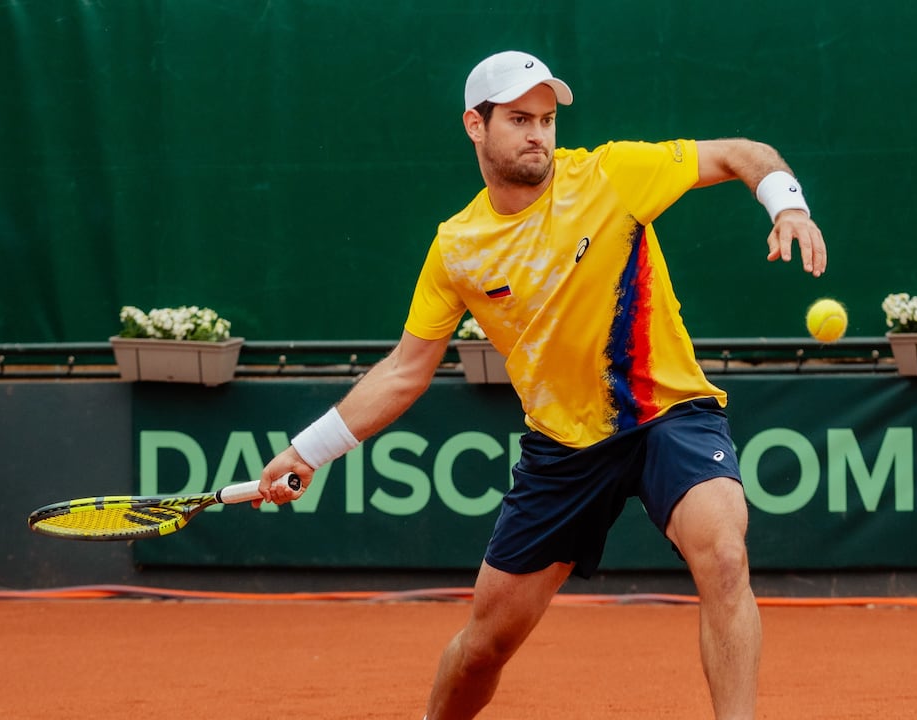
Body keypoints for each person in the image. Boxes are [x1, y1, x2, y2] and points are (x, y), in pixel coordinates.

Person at [258, 50, 827, 719]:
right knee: (484, 646)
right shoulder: (458, 248)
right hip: (563, 448)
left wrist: (789, 207)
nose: (538, 133)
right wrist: (309, 450)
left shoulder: (610, 175)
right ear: (476, 125)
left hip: (667, 413)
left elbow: (742, 152)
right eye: (520, 118)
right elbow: (405, 370)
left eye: (548, 119)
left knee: (725, 558)